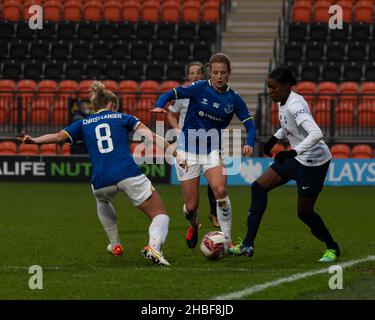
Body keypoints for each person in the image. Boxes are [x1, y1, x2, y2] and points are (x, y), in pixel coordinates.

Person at [18, 81, 176, 266]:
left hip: (100, 180)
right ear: (112, 104)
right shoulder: (124, 117)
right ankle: (154, 248)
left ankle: (115, 244)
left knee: (102, 199)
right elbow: (152, 137)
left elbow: (58, 137)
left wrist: (34, 140)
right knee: (160, 215)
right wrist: (175, 152)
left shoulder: (83, 123)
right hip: (127, 173)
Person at [232, 67, 340, 263]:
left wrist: (292, 151)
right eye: (268, 87)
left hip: (314, 162)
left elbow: (316, 133)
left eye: (273, 88)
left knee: (304, 213)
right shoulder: (284, 100)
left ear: (286, 87)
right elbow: (287, 125)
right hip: (297, 158)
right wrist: (274, 138)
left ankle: (332, 247)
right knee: (258, 187)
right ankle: (247, 244)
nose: (270, 91)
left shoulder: (295, 105)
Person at [152, 53, 256, 249]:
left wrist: (249, 141)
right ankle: (193, 224)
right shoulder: (199, 88)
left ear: (229, 74)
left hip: (212, 150)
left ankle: (227, 240)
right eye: (215, 72)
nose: (219, 76)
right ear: (210, 72)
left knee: (220, 190)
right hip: (187, 151)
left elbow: (250, 125)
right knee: (191, 207)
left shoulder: (234, 99)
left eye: (223, 73)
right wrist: (159, 105)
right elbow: (171, 94)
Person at [167, 61, 219, 228]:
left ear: (203, 75)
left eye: (198, 72)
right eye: (192, 73)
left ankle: (214, 214)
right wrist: (177, 130)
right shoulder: (182, 94)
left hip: (209, 144)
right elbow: (171, 115)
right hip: (187, 146)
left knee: (216, 185)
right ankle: (192, 220)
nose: (195, 75)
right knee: (191, 206)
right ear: (188, 76)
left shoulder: (210, 92)